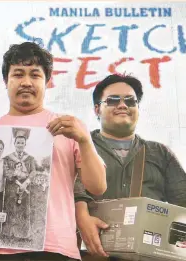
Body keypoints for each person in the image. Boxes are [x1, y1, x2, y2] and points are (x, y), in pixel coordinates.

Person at [0, 41, 107, 261]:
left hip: (56, 249)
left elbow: (98, 186)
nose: (26, 82)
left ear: (47, 81)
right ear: (6, 81)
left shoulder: (69, 127)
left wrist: (85, 141)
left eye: (35, 75)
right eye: (18, 74)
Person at [74, 74, 186, 260]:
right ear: (97, 109)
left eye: (130, 101)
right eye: (113, 100)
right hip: (89, 255)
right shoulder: (77, 146)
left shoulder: (160, 153)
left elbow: (183, 201)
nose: (122, 105)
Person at [2, 128, 36, 240]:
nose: (20, 145)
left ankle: (23, 235)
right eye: (18, 142)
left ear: (25, 144)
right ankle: (8, 233)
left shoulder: (30, 158)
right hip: (11, 188)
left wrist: (26, 183)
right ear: (14, 143)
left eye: (22, 143)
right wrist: (15, 175)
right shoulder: (8, 158)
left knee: (23, 209)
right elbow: (6, 171)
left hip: (25, 188)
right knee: (10, 208)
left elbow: (33, 172)